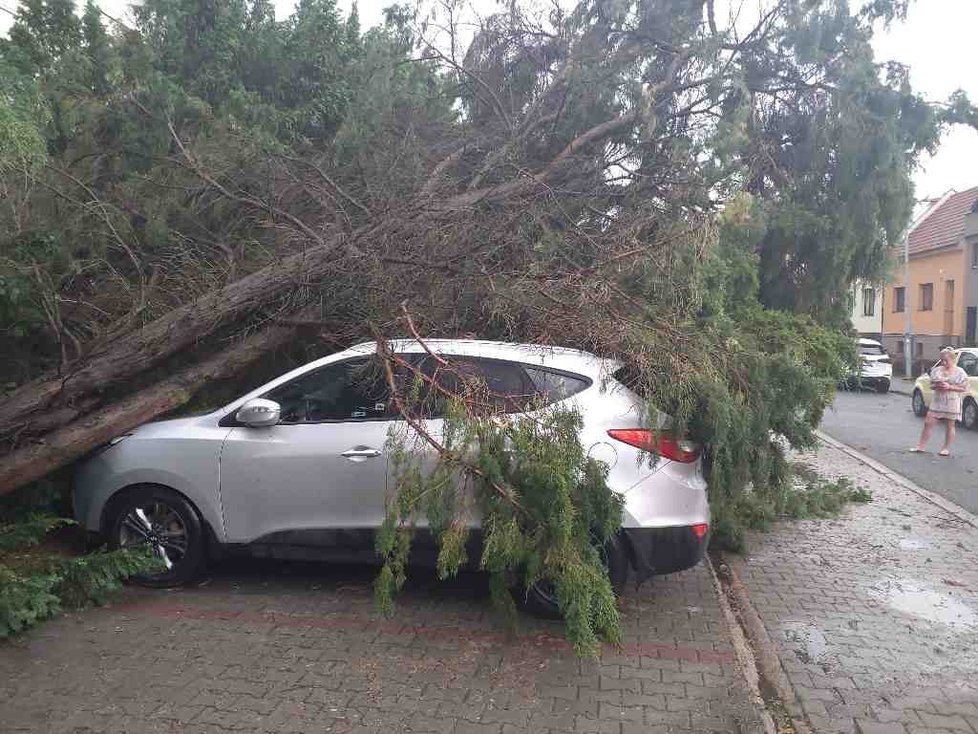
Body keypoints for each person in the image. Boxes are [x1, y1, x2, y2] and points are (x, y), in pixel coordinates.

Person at [911, 347, 969, 456]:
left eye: (946, 360)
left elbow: (964, 388)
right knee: (928, 422)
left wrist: (949, 387)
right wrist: (937, 385)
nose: (943, 362)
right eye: (942, 360)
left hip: (952, 400)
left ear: (953, 359)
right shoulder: (937, 370)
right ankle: (920, 446)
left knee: (950, 425)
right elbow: (931, 385)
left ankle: (945, 448)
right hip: (938, 400)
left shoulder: (960, 372)